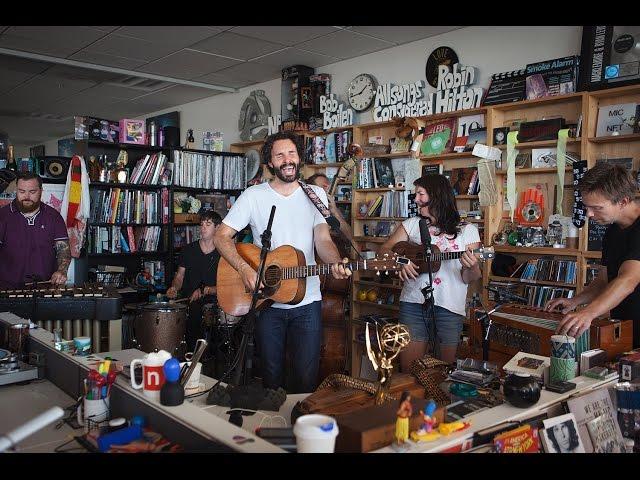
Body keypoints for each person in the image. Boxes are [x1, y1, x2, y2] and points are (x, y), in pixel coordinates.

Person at [214, 131, 352, 394]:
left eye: (291, 153)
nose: (287, 160)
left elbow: (323, 240)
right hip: (267, 302)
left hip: (307, 301)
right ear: (270, 163)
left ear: (299, 158)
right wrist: (243, 268)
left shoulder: (316, 195)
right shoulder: (253, 196)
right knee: (270, 378)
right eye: (280, 155)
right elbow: (222, 236)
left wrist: (335, 261)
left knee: (305, 379)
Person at [380, 174, 482, 369]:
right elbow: (384, 250)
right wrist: (400, 261)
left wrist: (473, 266)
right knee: (410, 371)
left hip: (449, 307)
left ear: (436, 195)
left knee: (444, 373)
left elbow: (469, 278)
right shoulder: (411, 224)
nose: (416, 199)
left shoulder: (467, 230)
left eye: (420, 194)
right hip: (413, 304)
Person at [545, 163, 640, 347]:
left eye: (596, 207)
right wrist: (575, 301)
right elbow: (605, 279)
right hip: (626, 328)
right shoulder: (613, 230)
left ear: (623, 201)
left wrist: (588, 312)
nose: (589, 213)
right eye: (587, 207)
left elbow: (628, 280)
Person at [0, 173, 70, 289]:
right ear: (16, 190)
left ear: (41, 191)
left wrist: (62, 271)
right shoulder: (2, 216)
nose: (26, 196)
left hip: (46, 288)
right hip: (6, 290)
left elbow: (63, 250)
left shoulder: (54, 217)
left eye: (32, 192)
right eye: (22, 191)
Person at [166, 209, 221, 352]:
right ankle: (192, 356)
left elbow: (228, 286)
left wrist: (205, 290)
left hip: (215, 301)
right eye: (201, 224)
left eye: (208, 224)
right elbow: (179, 276)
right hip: (190, 300)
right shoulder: (188, 250)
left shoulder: (223, 253)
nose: (203, 228)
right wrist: (174, 288)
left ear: (218, 228)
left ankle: (209, 355)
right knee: (194, 314)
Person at [306, 173, 354, 243]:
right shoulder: (307, 210)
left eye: (328, 187)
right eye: (323, 187)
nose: (327, 191)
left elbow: (350, 237)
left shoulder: (335, 210)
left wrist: (335, 212)